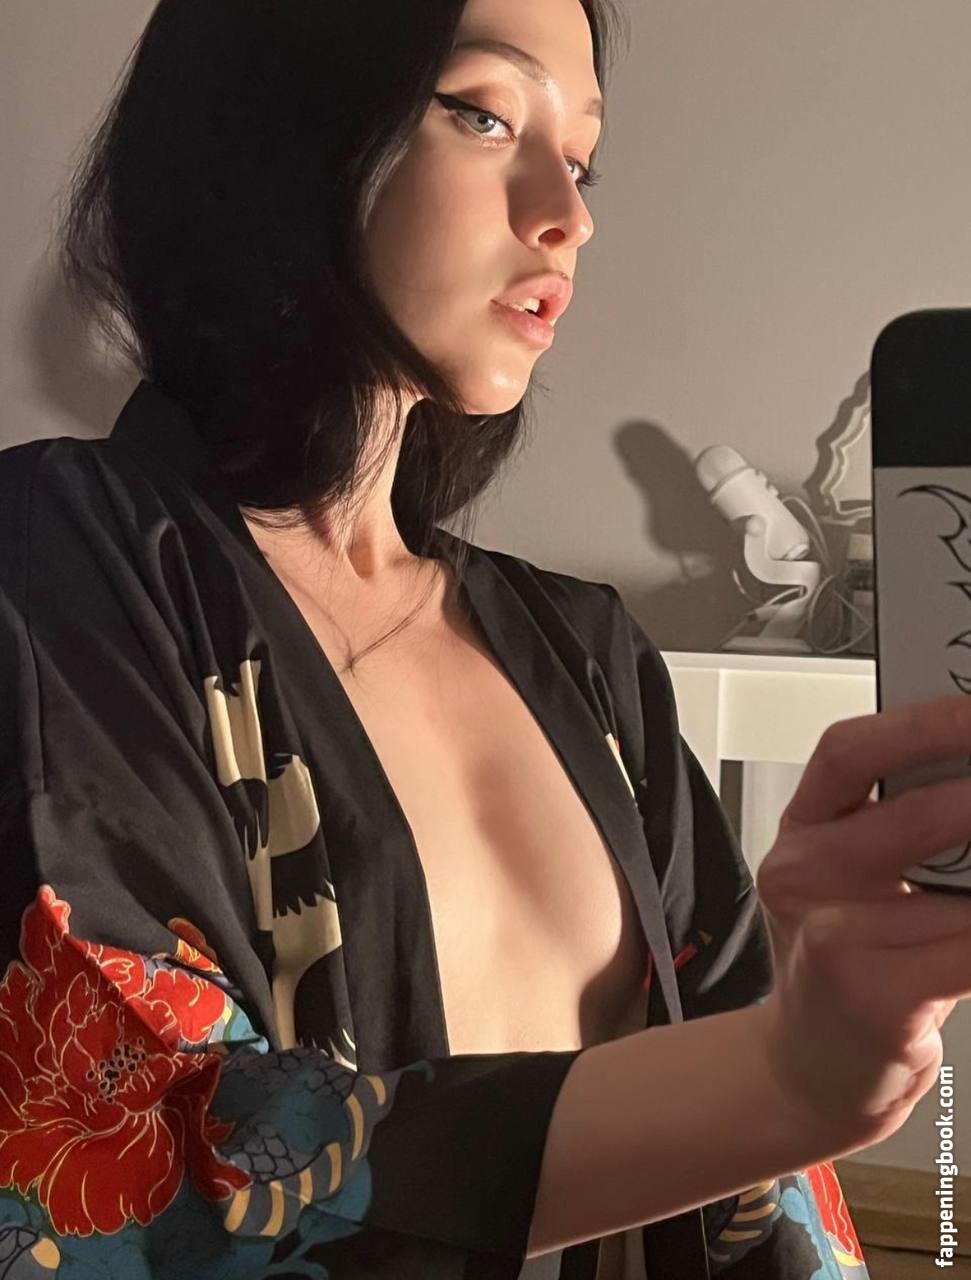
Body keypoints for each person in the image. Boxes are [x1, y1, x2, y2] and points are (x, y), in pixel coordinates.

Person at [4, 0, 970, 1276]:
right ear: (278, 118)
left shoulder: (586, 649)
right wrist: (784, 1074)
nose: (565, 213)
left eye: (580, 159)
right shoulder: (56, 559)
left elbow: (756, 1161)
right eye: (483, 115)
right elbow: (145, 1153)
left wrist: (816, 1043)